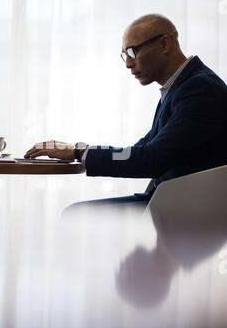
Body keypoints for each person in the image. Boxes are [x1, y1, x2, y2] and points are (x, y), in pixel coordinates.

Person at [24, 14, 227, 209]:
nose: (128, 64)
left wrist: (80, 151)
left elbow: (151, 159)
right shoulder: (182, 87)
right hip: (172, 202)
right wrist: (80, 151)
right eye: (125, 56)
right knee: (79, 213)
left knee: (79, 215)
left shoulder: (200, 89)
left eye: (132, 52)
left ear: (164, 44)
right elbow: (141, 150)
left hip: (189, 210)